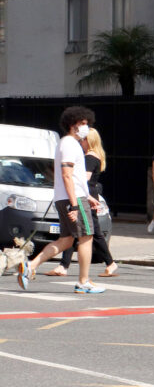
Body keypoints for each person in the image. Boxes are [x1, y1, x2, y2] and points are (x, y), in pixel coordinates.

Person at [17, 106, 106, 294]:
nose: (86, 127)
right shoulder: (69, 144)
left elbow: (74, 178)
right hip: (72, 199)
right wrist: (75, 203)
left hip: (69, 197)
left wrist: (87, 197)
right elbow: (67, 175)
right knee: (86, 237)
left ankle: (31, 266)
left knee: (66, 240)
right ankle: (83, 282)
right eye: (83, 123)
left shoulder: (68, 144)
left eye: (87, 123)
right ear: (72, 124)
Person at [46, 128, 118, 278]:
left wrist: (70, 176)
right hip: (87, 195)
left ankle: (108, 264)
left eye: (83, 139)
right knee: (80, 231)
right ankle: (64, 266)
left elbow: (83, 179)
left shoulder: (90, 158)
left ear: (88, 140)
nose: (80, 141)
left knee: (88, 233)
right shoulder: (93, 156)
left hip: (86, 196)